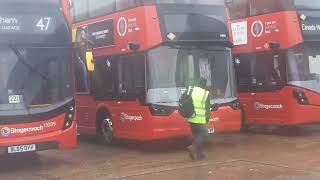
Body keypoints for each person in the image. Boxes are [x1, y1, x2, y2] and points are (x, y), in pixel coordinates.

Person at [187, 77, 210, 160]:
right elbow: (207, 108)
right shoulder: (204, 93)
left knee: (196, 135)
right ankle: (193, 148)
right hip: (200, 118)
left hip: (191, 117)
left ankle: (200, 154)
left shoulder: (192, 90)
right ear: (204, 84)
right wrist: (207, 119)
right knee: (202, 135)